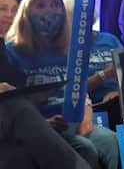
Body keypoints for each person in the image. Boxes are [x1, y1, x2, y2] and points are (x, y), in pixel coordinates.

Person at [5, 0, 120, 169]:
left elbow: (79, 88)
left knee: (110, 141)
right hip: (37, 128)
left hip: (71, 123)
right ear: (26, 12)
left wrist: (85, 109)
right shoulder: (12, 52)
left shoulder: (69, 49)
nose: (49, 11)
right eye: (40, 6)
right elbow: (10, 106)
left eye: (55, 5)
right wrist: (41, 124)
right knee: (85, 149)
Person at [0, 39, 92, 169]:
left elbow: (13, 88)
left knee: (84, 147)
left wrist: (41, 123)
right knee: (14, 105)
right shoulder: (14, 50)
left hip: (15, 124)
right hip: (14, 118)